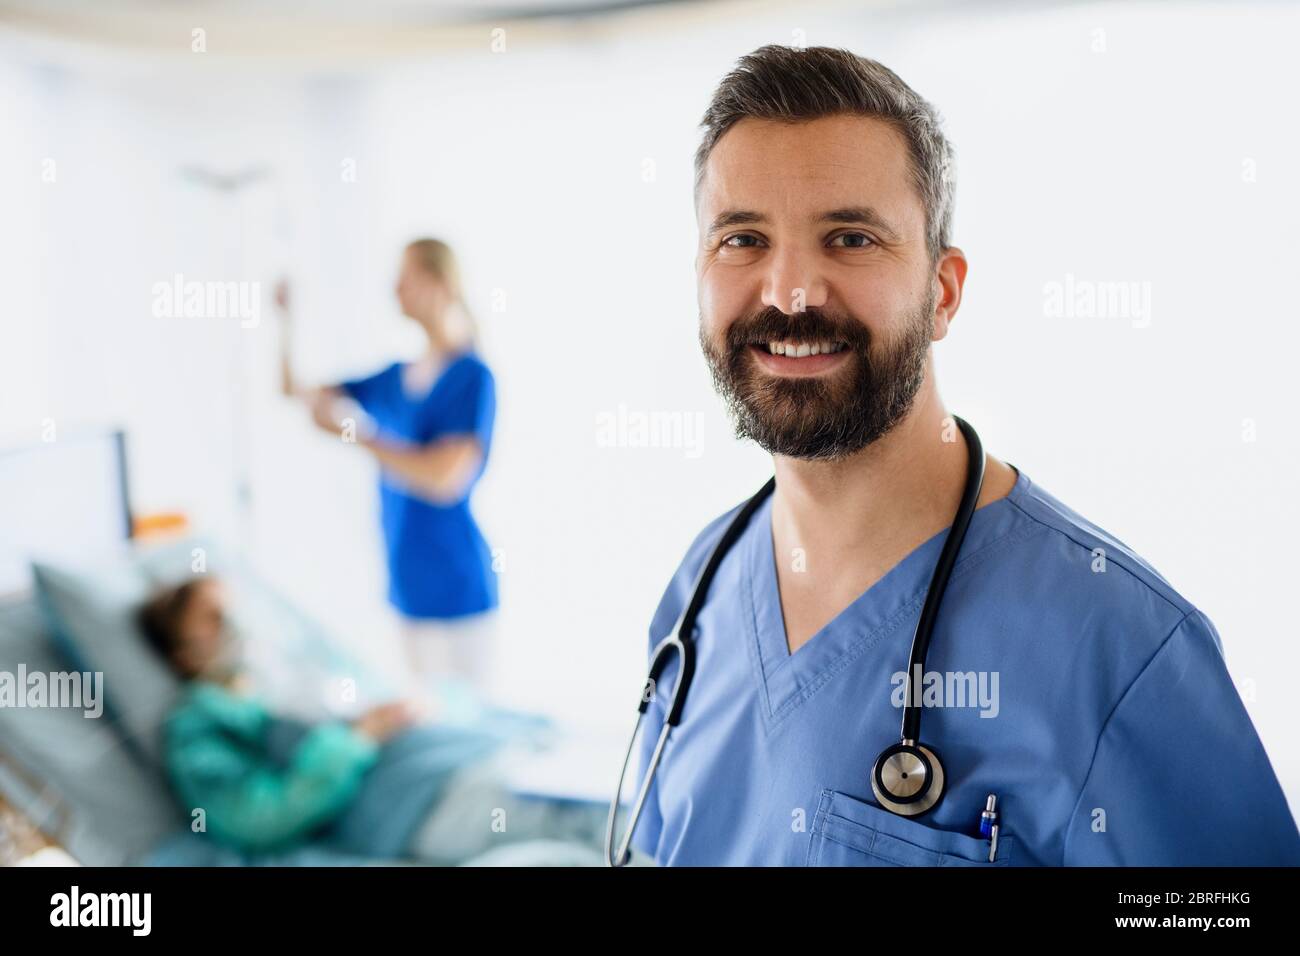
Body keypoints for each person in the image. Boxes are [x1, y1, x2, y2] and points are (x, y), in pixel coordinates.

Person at [626, 45, 1300, 866]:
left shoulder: (1118, 646)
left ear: (942, 292)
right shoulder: (702, 585)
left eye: (849, 237)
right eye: (742, 239)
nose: (790, 292)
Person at [136, 577, 604, 865]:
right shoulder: (199, 722)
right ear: (182, 655)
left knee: (603, 779)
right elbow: (257, 818)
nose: (236, 623)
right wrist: (359, 736)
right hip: (420, 798)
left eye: (232, 607)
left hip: (473, 748)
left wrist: (419, 703)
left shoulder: (274, 672)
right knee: (602, 822)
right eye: (215, 618)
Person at [277, 239, 499, 696]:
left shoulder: (472, 376)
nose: (395, 288)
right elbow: (295, 391)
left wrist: (356, 435)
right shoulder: (394, 376)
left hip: (457, 590)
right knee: (422, 724)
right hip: (405, 586)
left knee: (466, 727)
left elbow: (443, 480)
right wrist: (285, 321)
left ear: (440, 284)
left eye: (407, 277)